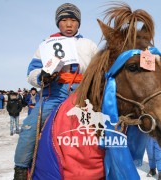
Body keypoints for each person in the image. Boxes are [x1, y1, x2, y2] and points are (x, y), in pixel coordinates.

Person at [13, 3, 98, 179]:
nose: (69, 24)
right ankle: (20, 169)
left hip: (82, 94)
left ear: (78, 23)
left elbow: (99, 70)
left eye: (73, 20)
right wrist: (41, 77)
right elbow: (32, 72)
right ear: (58, 23)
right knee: (29, 127)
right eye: (64, 20)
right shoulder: (46, 44)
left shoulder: (88, 45)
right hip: (54, 94)